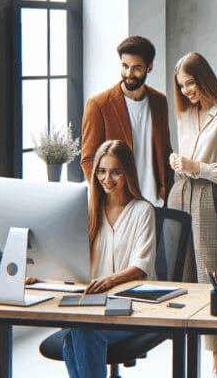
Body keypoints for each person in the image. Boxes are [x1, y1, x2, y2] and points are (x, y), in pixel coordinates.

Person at [168, 52, 217, 375]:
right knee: (178, 274)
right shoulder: (184, 114)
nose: (187, 91)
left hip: (206, 196)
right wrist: (179, 165)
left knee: (213, 277)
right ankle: (181, 352)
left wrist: (197, 167)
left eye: (191, 83)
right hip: (179, 192)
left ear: (204, 80)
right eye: (182, 85)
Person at [62, 140, 156, 378]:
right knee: (72, 333)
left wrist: (110, 280)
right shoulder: (90, 210)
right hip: (92, 305)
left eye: (116, 172)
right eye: (101, 171)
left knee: (80, 332)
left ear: (128, 173)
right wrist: (41, 271)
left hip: (132, 308)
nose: (107, 179)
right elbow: (69, 257)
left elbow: (140, 265)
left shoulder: (142, 210)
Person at [81, 36, 173, 206]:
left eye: (137, 68)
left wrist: (167, 192)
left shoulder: (160, 102)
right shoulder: (98, 106)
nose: (129, 74)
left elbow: (165, 150)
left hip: (156, 203)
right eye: (125, 66)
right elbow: (88, 160)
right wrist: (108, 199)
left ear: (149, 67)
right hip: (119, 204)